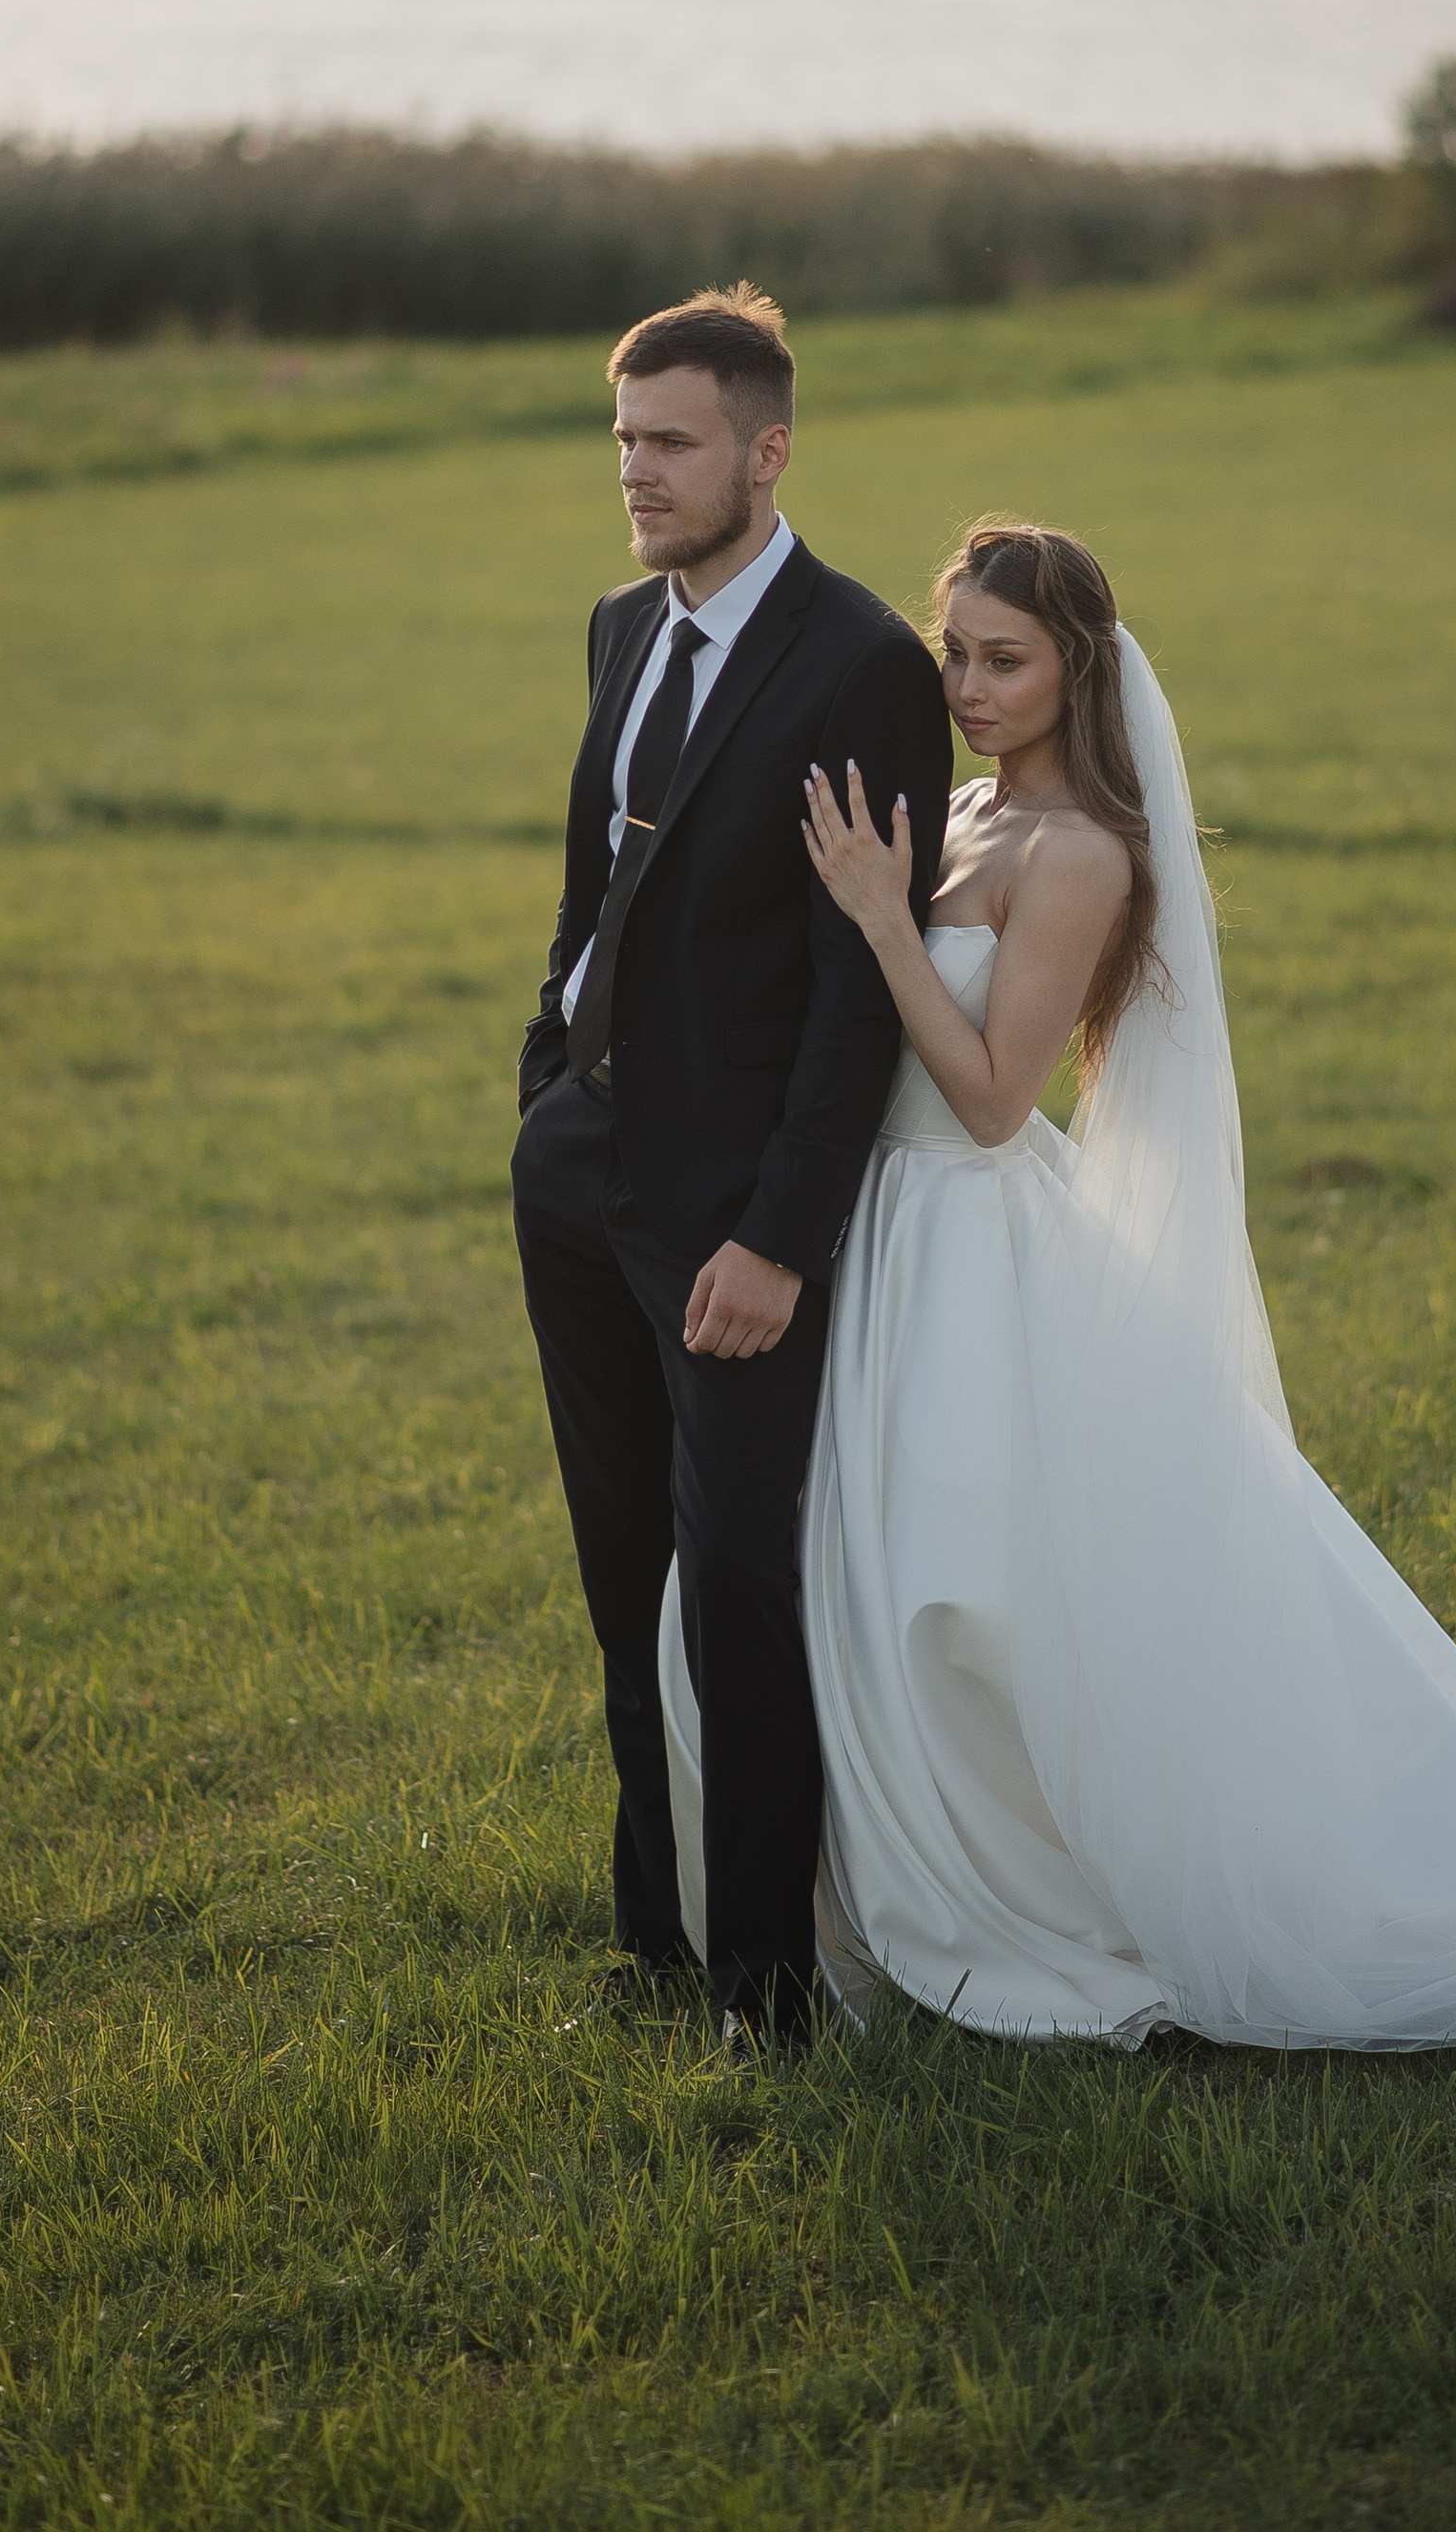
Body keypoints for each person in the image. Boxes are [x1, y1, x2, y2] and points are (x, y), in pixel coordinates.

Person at [665, 518, 1456, 2048]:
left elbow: (997, 1096)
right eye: (954, 653)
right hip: (877, 1238)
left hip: (971, 1237)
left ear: (1080, 670)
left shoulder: (1078, 853)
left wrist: (886, 924)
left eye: (1003, 660)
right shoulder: (948, 811)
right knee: (854, 1592)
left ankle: (1033, 1902)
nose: (967, 685)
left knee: (970, 1599)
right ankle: (871, 1894)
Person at [511, 286, 954, 2049]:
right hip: (581, 1175)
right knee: (624, 1580)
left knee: (743, 1592)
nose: (638, 473)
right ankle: (656, 1945)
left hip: (736, 1224)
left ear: (768, 453)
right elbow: (588, 893)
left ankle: (768, 1988)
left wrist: (781, 1238)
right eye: (624, 438)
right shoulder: (625, 625)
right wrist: (547, 1081)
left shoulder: (860, 664)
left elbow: (864, 991)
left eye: (672, 442)